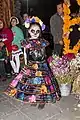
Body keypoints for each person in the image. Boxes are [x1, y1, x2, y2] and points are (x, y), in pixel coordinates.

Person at [5, 16, 60, 109]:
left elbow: (44, 54)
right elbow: (26, 54)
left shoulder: (43, 42)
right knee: (32, 83)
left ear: (40, 32)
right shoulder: (27, 42)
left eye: (37, 31)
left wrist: (45, 64)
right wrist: (26, 65)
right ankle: (34, 98)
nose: (35, 33)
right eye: (32, 31)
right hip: (31, 66)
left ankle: (42, 100)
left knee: (42, 84)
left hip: (42, 66)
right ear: (29, 31)